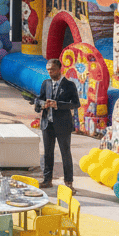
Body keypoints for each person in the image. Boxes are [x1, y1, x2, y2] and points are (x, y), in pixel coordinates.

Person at [35, 57, 81, 190]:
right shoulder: (46, 83)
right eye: (48, 70)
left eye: (53, 69)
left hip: (63, 125)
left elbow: (75, 104)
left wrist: (58, 105)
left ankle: (68, 182)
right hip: (47, 124)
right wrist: (42, 104)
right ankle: (47, 180)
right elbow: (38, 99)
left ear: (60, 69)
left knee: (65, 153)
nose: (50, 72)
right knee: (47, 153)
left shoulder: (69, 85)